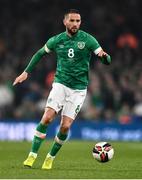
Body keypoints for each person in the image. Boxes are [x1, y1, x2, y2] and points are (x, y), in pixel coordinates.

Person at [13, 9, 111, 170]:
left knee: (65, 127)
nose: (75, 24)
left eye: (78, 21)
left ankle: (50, 158)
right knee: (47, 118)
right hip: (60, 84)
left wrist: (105, 58)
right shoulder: (56, 40)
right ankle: (32, 155)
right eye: (72, 20)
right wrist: (26, 72)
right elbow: (39, 54)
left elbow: (105, 58)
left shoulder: (89, 40)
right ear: (65, 22)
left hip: (78, 89)